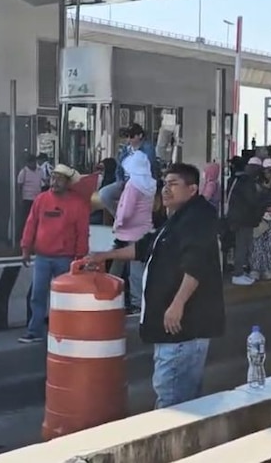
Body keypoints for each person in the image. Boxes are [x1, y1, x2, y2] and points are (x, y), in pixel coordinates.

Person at [88, 163, 224, 408]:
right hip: (175, 327)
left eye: (173, 184)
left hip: (183, 328)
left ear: (192, 189)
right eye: (164, 184)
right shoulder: (177, 219)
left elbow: (197, 264)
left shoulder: (197, 219)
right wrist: (105, 256)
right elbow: (145, 247)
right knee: (183, 398)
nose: (166, 190)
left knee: (172, 398)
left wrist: (177, 304)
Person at [19, 164, 90, 344]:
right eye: (53, 178)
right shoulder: (41, 199)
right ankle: (34, 331)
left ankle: (66, 330)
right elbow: (31, 224)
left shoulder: (78, 204)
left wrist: (80, 257)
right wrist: (25, 248)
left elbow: (82, 232)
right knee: (37, 295)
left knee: (65, 297)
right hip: (42, 257)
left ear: (68, 182)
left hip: (66, 258)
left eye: (59, 179)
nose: (55, 182)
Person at [111, 150, 156, 314]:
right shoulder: (150, 184)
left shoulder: (133, 185)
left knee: (125, 268)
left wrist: (118, 222)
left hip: (129, 231)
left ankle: (132, 302)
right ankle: (142, 300)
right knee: (140, 269)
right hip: (145, 228)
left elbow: (127, 210)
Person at [99, 123, 157, 216]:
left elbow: (148, 168)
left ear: (140, 136)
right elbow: (119, 167)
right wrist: (120, 181)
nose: (129, 139)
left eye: (132, 136)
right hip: (125, 182)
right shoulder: (126, 148)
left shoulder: (147, 148)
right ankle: (119, 217)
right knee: (104, 193)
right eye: (127, 136)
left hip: (140, 184)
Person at [227, 157, 268, 285]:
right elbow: (252, 200)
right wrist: (262, 194)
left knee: (242, 245)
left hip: (237, 217)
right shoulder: (247, 182)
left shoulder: (234, 180)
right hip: (244, 219)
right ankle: (238, 274)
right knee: (242, 246)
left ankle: (240, 272)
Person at [15, 153, 45, 243]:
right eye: (31, 162)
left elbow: (43, 182)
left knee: (37, 219)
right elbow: (19, 186)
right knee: (25, 219)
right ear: (27, 163)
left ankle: (35, 238)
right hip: (27, 199)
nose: (33, 164)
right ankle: (21, 238)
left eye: (34, 162)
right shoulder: (23, 172)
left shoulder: (40, 171)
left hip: (37, 199)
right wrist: (20, 199)